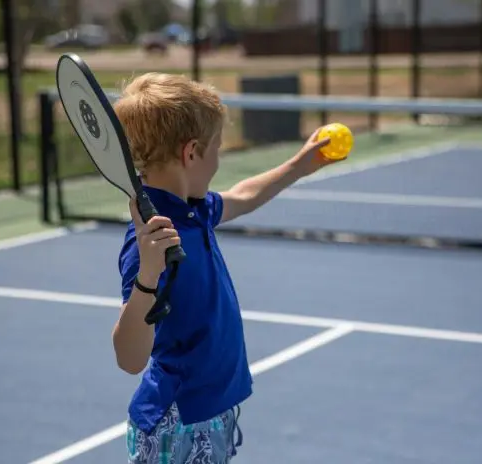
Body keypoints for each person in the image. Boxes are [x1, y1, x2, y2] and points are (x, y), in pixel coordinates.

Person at [111, 72, 339, 464]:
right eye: (218, 148)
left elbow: (243, 196)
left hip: (211, 413)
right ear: (192, 152)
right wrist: (148, 276)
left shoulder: (194, 209)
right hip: (176, 424)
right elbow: (129, 358)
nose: (219, 160)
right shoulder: (150, 241)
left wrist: (300, 166)